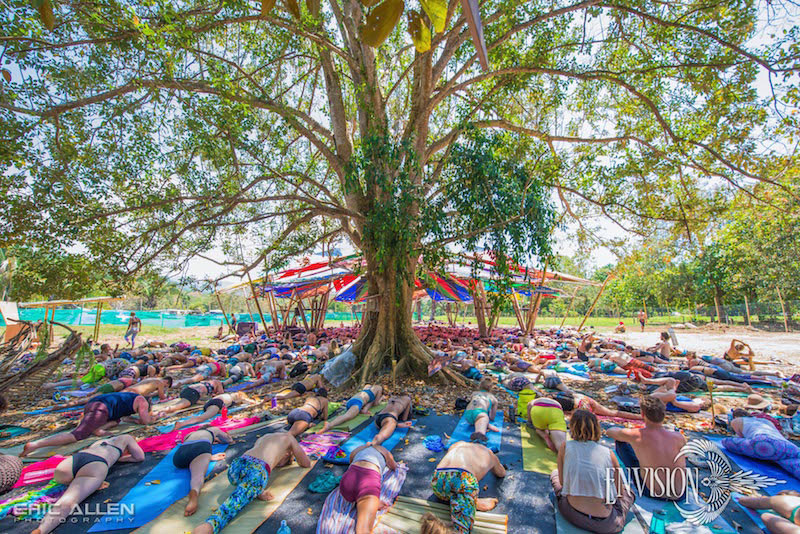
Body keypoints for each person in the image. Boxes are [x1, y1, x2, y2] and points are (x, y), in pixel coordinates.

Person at [193, 432, 311, 534]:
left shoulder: (266, 436)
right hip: (256, 470)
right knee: (231, 505)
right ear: (287, 454)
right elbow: (306, 463)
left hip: (236, 466)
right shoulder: (289, 439)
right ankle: (210, 525)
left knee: (248, 485)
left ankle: (254, 490)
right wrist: (293, 453)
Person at [31, 435, 145, 534]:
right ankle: (42, 529)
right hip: (95, 465)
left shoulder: (100, 442)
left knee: (76, 485)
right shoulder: (127, 438)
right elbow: (139, 457)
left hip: (68, 465)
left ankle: (78, 482)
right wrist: (119, 459)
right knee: (69, 500)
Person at [551, 410, 634, 533]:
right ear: (596, 429)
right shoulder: (609, 454)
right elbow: (619, 493)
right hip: (606, 524)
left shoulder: (565, 446)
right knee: (629, 493)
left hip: (572, 514)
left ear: (572, 427)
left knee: (555, 475)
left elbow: (563, 483)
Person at [21, 392, 154, 457]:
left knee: (116, 421)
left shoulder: (131, 398)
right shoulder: (143, 401)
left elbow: (126, 418)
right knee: (77, 435)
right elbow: (146, 421)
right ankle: (35, 445)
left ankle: (98, 429)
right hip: (100, 409)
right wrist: (151, 418)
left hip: (95, 404)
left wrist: (135, 420)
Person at [606, 396, 687, 500]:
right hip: (680, 494)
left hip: (652, 492)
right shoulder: (678, 437)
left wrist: (630, 431)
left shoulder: (636, 435)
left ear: (643, 414)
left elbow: (610, 431)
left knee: (621, 443)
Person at [425, 441, 505, 534]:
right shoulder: (489, 453)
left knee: (455, 489)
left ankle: (465, 499)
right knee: (462, 529)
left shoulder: (458, 444)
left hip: (438, 481)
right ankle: (468, 501)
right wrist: (493, 463)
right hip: (463, 479)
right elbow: (501, 473)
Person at [722, 410, 800, 479]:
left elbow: (741, 438)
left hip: (762, 441)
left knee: (725, 442)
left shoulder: (736, 421)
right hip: (787, 446)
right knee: (791, 462)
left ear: (735, 416)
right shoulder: (765, 421)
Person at [340, 444, 398, 533]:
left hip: (347, 483)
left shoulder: (359, 448)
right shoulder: (384, 450)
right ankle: (366, 502)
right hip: (368, 485)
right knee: (363, 529)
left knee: (364, 498)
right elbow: (393, 466)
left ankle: (366, 502)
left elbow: (351, 461)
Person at [175, 427, 232, 516]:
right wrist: (223, 439)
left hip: (179, 456)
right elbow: (228, 439)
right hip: (200, 448)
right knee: (197, 476)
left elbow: (190, 445)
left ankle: (208, 457)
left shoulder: (190, 434)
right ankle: (194, 494)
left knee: (198, 458)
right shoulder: (213, 430)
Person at [174, 392, 257, 431]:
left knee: (202, 417)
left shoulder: (228, 395)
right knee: (202, 418)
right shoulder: (237, 396)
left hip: (212, 402)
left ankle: (183, 423)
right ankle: (181, 424)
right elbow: (248, 401)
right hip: (216, 403)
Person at [464, 378, 500, 443]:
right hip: (480, 413)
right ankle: (479, 435)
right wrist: (488, 419)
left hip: (468, 414)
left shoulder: (474, 393)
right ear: (490, 388)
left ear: (479, 386)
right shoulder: (492, 397)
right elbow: (492, 417)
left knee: (479, 419)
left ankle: (483, 424)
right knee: (483, 419)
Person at [157, 380, 225, 415]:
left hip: (187, 390)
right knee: (176, 407)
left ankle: (160, 410)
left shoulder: (207, 383)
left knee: (179, 405)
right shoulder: (217, 383)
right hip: (193, 393)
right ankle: (157, 412)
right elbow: (221, 394)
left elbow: (198, 400)